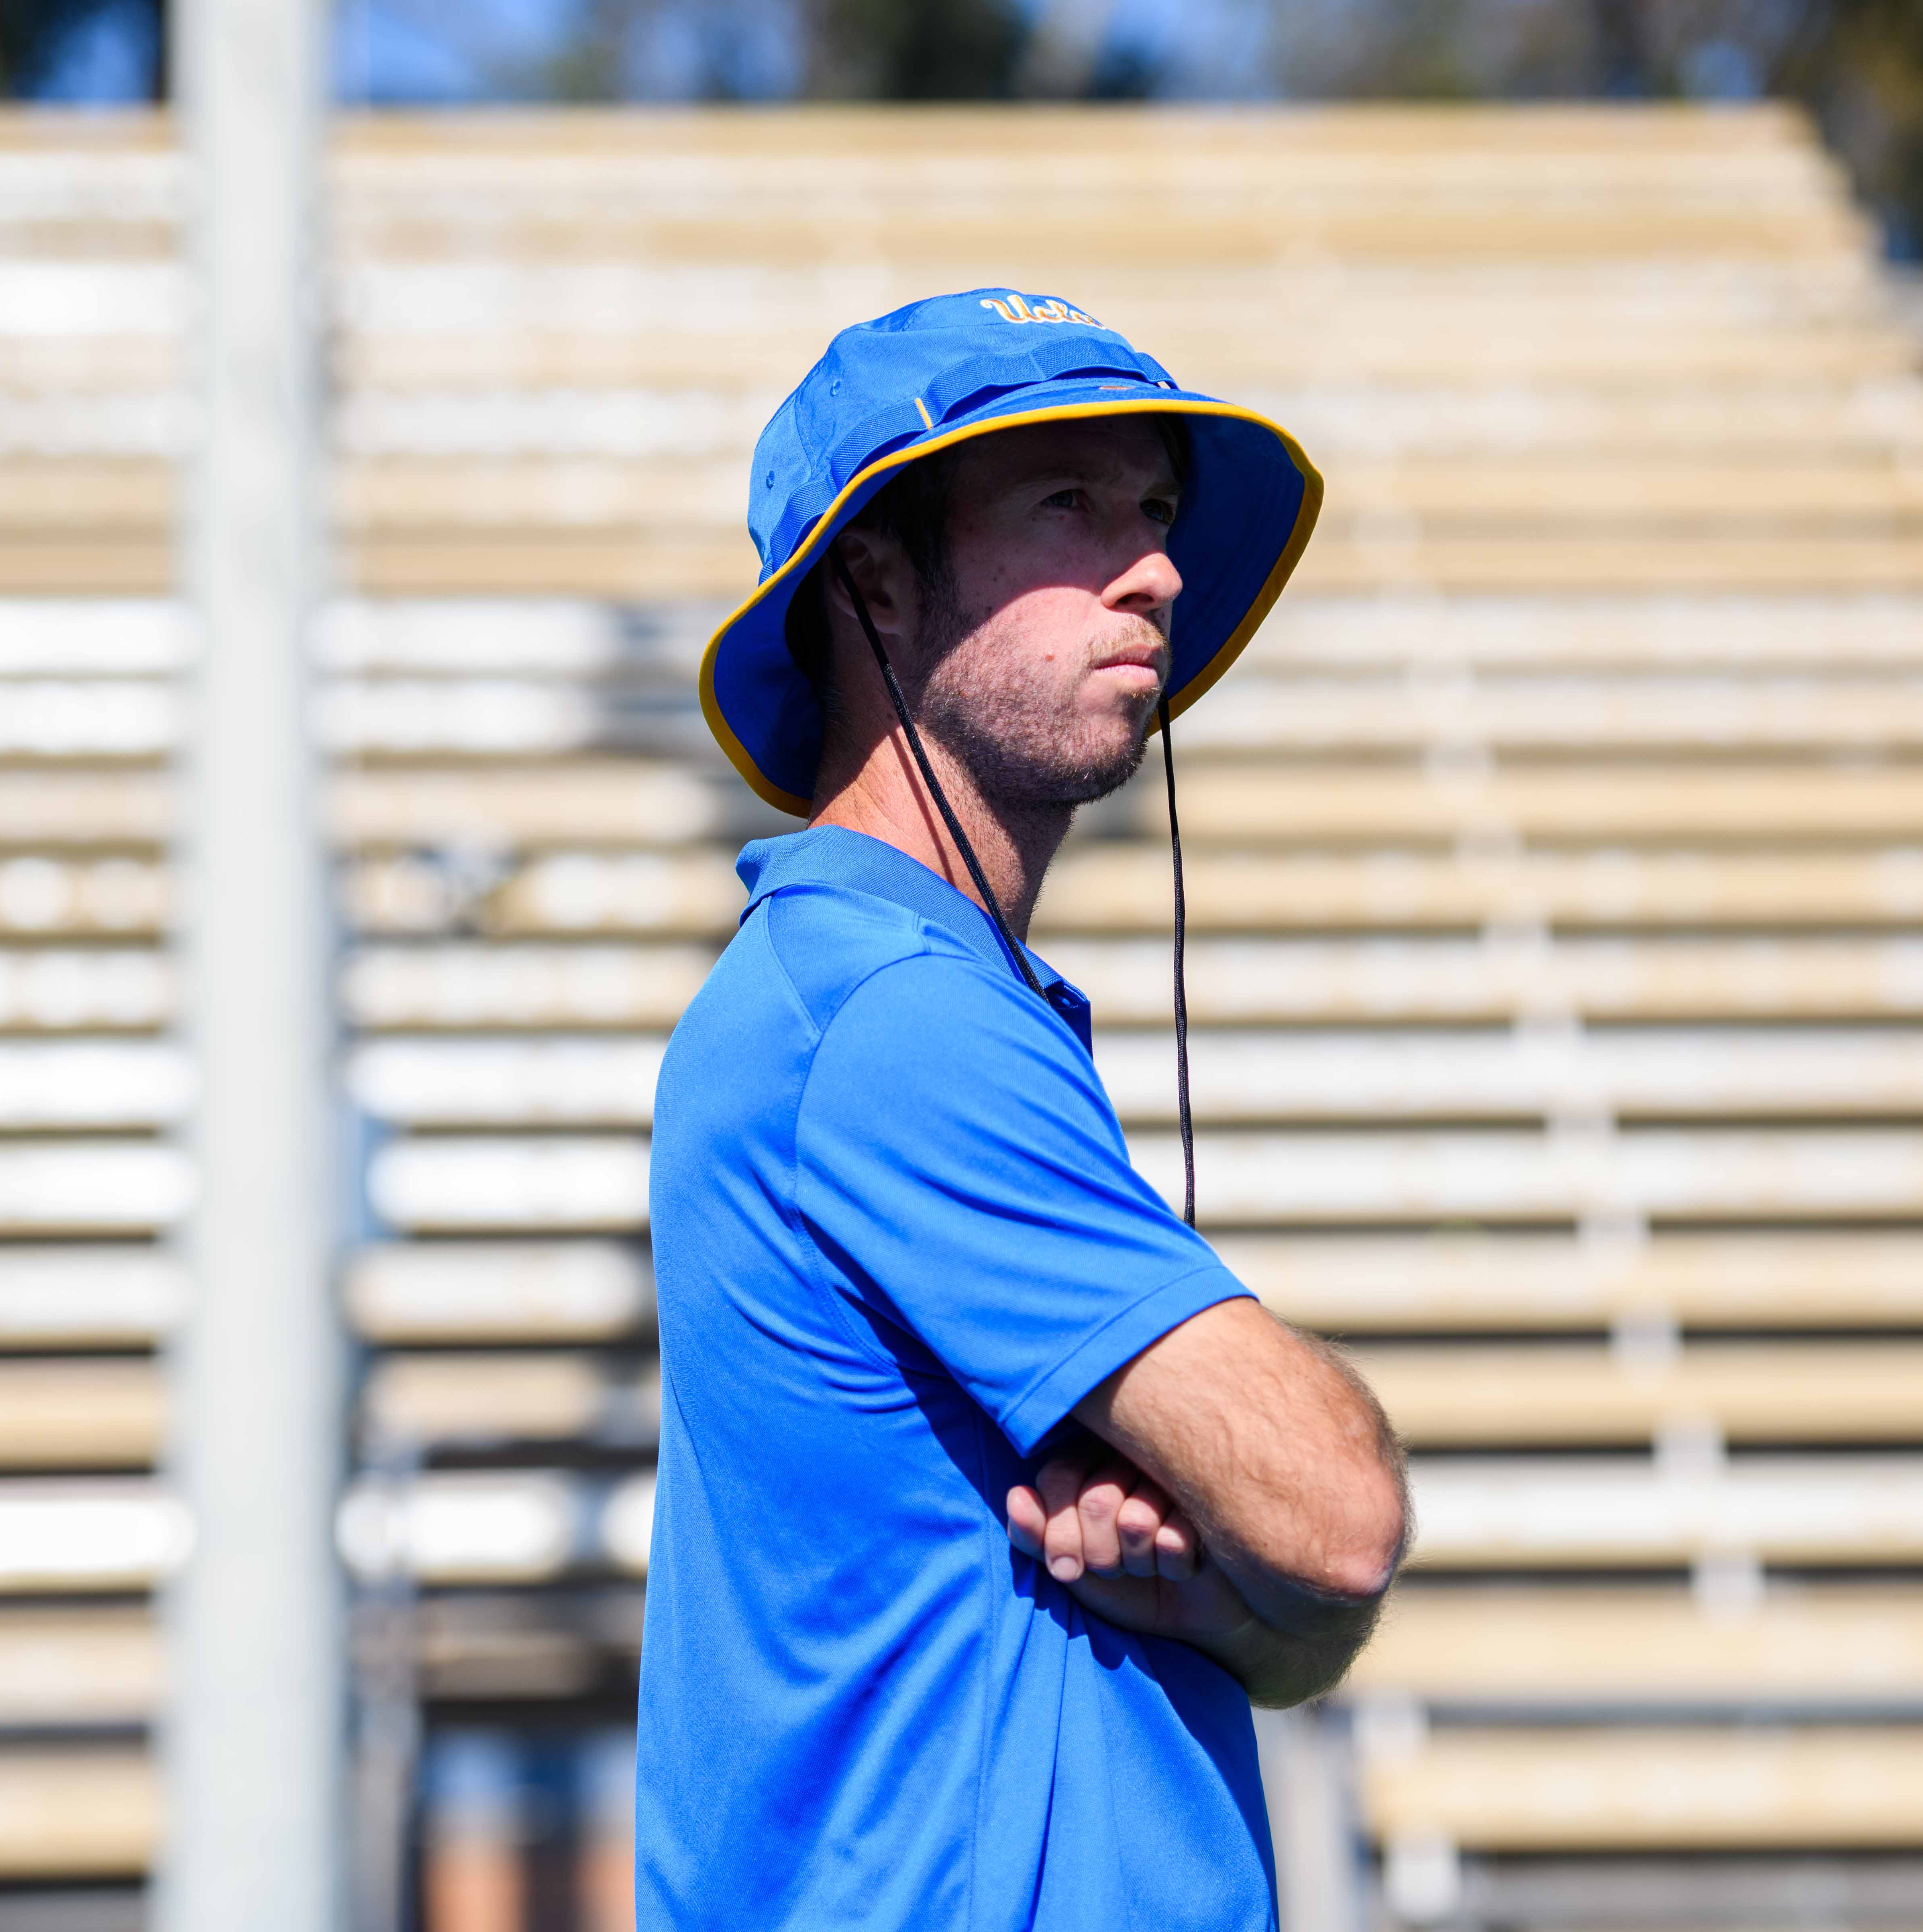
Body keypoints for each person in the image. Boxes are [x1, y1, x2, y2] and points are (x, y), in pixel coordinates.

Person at [638, 290, 1409, 1932]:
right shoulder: (889, 1021)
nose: (1154, 571)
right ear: (878, 578)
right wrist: (1268, 1566)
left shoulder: (892, 998)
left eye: (1152, 511)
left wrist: (1237, 1596)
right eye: (1065, 505)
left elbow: (1308, 1591)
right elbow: (1342, 1518)